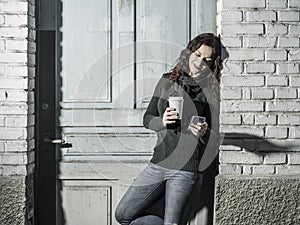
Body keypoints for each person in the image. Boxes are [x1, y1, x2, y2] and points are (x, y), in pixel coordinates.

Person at [115, 33, 226, 225]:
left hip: (187, 168)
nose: (200, 62)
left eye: (206, 59)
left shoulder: (210, 90)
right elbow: (147, 118)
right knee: (124, 214)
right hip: (158, 163)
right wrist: (162, 121)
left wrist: (204, 132)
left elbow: (216, 137)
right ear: (189, 52)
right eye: (197, 55)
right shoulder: (167, 81)